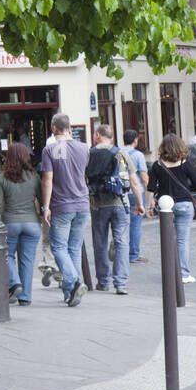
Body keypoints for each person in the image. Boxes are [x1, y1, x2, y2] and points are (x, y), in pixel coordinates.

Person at [40, 112, 93, 306]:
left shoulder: (50, 149)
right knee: (74, 248)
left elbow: (48, 180)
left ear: (54, 128)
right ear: (69, 128)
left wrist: (45, 207)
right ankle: (69, 293)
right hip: (82, 203)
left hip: (62, 205)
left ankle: (74, 280)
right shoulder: (83, 148)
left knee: (59, 247)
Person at [147, 133, 196, 285]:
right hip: (184, 205)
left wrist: (148, 205)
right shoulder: (185, 163)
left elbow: (151, 188)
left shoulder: (157, 165)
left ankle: (170, 273)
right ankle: (183, 274)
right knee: (182, 241)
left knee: (168, 240)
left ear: (163, 148)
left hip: (166, 208)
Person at [87, 124, 145, 295]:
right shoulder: (121, 153)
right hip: (119, 202)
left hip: (98, 204)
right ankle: (120, 283)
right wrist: (140, 203)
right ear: (111, 137)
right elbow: (134, 181)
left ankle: (103, 281)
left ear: (98, 135)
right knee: (121, 242)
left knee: (100, 243)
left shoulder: (89, 154)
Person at [0, 142, 43, 305]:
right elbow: (42, 198)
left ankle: (14, 282)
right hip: (32, 223)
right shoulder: (34, 177)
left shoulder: (1, 178)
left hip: (10, 222)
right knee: (27, 260)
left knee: (6, 254)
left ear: (8, 157)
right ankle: (25, 296)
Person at [122, 129, 151, 264]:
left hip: (121, 193)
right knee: (135, 225)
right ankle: (133, 254)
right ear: (135, 140)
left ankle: (120, 250)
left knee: (122, 223)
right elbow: (144, 178)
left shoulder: (118, 152)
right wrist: (149, 194)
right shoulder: (138, 155)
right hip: (135, 193)